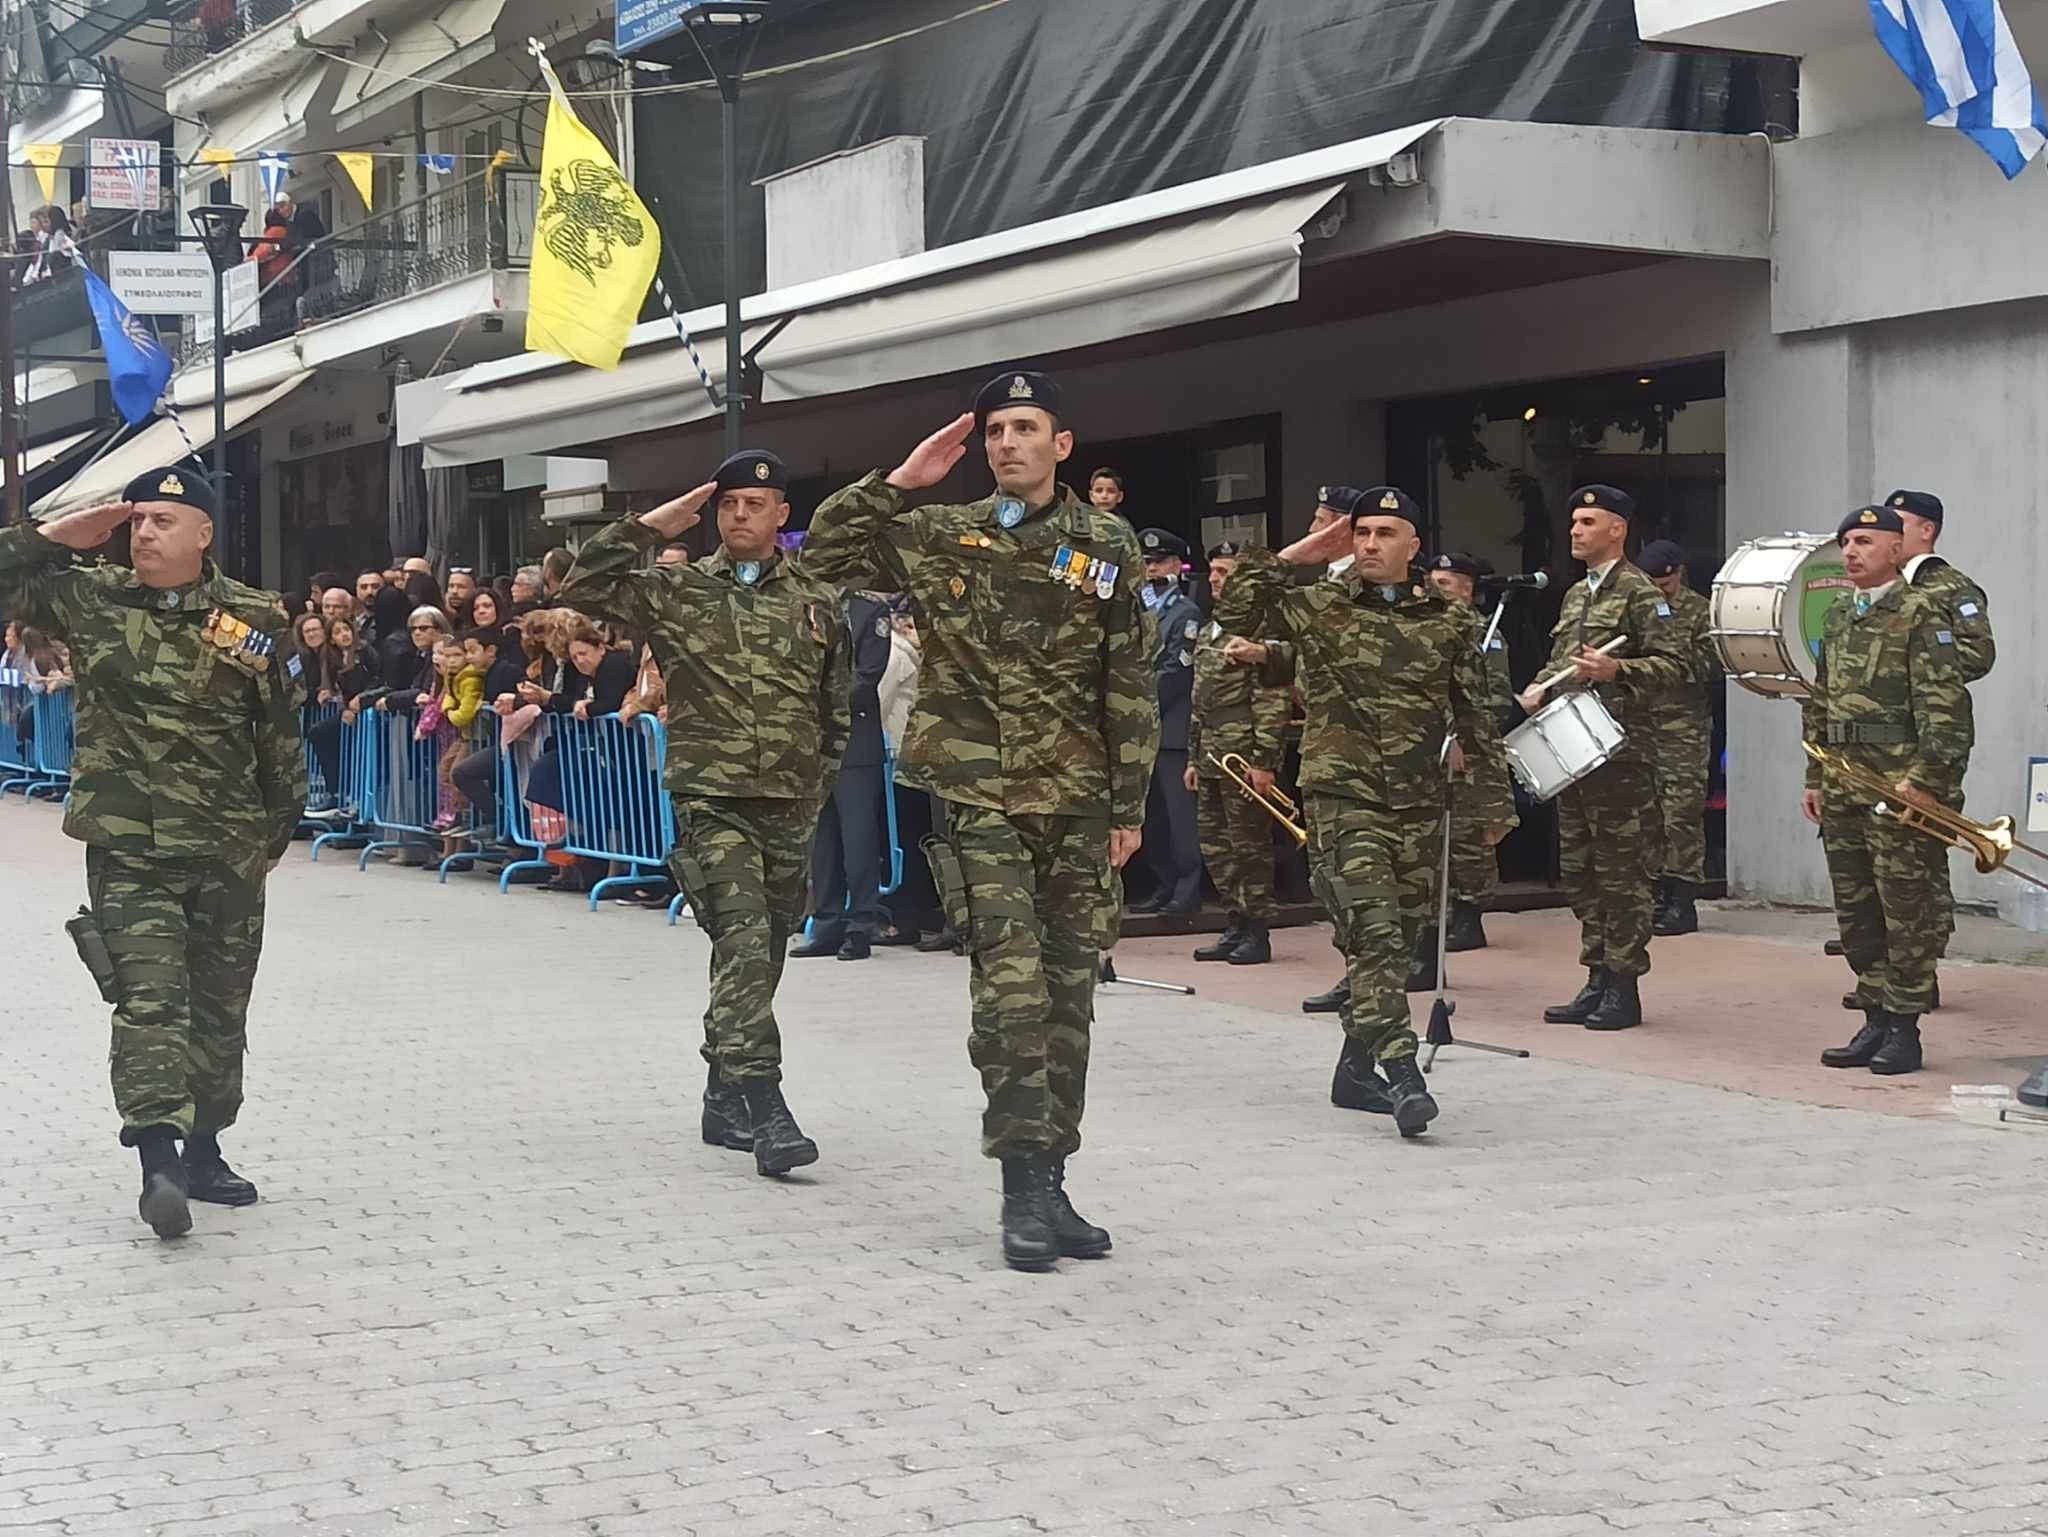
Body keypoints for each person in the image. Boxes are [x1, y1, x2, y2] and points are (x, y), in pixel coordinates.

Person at [804, 370, 1157, 1273]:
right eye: (996, 430)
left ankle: (1054, 1173)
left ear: (1060, 445)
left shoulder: (1105, 542)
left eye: (1025, 428)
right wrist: (902, 481)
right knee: (1010, 989)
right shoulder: (939, 534)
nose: (1007, 444)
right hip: (979, 791)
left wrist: (1127, 804)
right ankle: (1021, 1189)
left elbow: (1128, 680)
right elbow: (824, 551)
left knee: (1069, 994)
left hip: (1076, 800)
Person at [0, 468, 304, 1238]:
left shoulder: (254, 615)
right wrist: (60, 533)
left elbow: (278, 732)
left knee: (219, 1003)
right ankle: (157, 1160)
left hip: (228, 846)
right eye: (137, 521)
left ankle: (205, 1148)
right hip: (129, 845)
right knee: (148, 1001)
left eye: (163, 520)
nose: (143, 533)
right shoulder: (90, 598)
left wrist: (276, 829)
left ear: (204, 533)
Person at [559, 450, 848, 1177]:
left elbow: (833, 707)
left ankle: (721, 1089)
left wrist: (817, 785)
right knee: (748, 940)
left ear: (783, 515)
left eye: (756, 504)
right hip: (713, 799)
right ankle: (764, 1101)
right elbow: (581, 581)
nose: (740, 515)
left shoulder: (817, 600)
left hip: (788, 798)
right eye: (729, 505)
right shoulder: (677, 590)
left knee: (765, 947)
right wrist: (651, 526)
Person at [1221, 486, 1509, 1138]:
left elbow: (1476, 718)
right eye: (1363, 533)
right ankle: (1402, 1071)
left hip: (1417, 803)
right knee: (1376, 935)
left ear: (1413, 545)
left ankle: (1354, 1071)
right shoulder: (1321, 605)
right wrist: (1302, 550)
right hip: (1343, 801)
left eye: (1386, 533)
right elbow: (1235, 606)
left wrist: (1492, 805)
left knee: (1395, 943)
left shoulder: (1450, 620)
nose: (1371, 545)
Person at [1802, 505, 1973, 1077]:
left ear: (1897, 550)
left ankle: (1904, 1027)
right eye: (1847, 541)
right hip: (1846, 782)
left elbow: (1947, 712)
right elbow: (1820, 701)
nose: (1851, 552)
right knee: (1858, 910)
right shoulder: (1837, 616)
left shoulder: (1923, 613)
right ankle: (1873, 1015)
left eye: (1866, 541)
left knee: (1908, 908)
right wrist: (1814, 777)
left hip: (1900, 782)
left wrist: (1924, 783)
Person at [1527, 486, 1688, 1032]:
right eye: (1573, 520)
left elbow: (1675, 667)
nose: (1576, 530)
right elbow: (1563, 664)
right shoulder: (1577, 595)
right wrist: (1541, 688)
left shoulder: (1642, 594)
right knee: (1581, 872)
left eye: (1588, 521)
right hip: (1574, 753)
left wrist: (1618, 672)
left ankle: (1624, 984)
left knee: (1621, 874)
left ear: (1617, 530)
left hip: (1621, 754)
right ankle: (1595, 975)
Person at [1184, 542, 1291, 964]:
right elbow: (1200, 699)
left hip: (1243, 751)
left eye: (1225, 573)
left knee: (1250, 846)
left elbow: (1272, 700)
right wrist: (1193, 757)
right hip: (1211, 749)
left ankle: (1257, 930)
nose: (1214, 579)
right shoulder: (1213, 628)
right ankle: (1234, 922)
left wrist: (1264, 761)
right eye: (1213, 571)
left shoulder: (1261, 633)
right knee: (1216, 845)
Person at [1293, 485, 1368, 1012]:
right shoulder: (1328, 585)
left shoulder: (1365, 587)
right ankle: (1356, 972)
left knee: (1360, 881)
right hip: (1323, 750)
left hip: (1363, 759)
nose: (1311, 530)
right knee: (1329, 877)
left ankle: (1372, 984)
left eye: (1320, 522)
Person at [1424, 553, 1520, 953]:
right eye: (1433, 585)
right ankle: (1441, 913)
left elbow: (1496, 699)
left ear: (1467, 589)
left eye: (1445, 585)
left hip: (1473, 750)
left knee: (1470, 836)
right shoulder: (1429, 633)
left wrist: (1461, 732)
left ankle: (1470, 916)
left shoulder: (1487, 636)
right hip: (1434, 747)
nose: (1436, 593)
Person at [792, 591, 894, 961]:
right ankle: (827, 923)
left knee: (858, 842)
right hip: (815, 743)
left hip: (853, 740)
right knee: (822, 843)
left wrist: (820, 700)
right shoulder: (804, 604)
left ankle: (861, 926)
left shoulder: (869, 609)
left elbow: (867, 675)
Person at [1634, 540, 1720, 938]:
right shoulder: (1636, 608)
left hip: (1683, 727)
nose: (1659, 590)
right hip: (1640, 725)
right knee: (1646, 814)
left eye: (1665, 582)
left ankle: (1683, 898)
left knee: (1681, 813)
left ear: (1678, 573)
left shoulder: (1700, 611)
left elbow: (1711, 664)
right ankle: (1654, 895)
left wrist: (1664, 663)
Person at [1128, 528, 1205, 916]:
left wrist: (1134, 699)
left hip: (1171, 727)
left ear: (1176, 564)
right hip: (1141, 731)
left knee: (1180, 817)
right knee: (1151, 816)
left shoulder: (1185, 612)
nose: (1151, 568)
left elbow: (1177, 672)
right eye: (1145, 562)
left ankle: (1188, 889)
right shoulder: (1140, 606)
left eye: (1158, 561)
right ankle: (1163, 882)